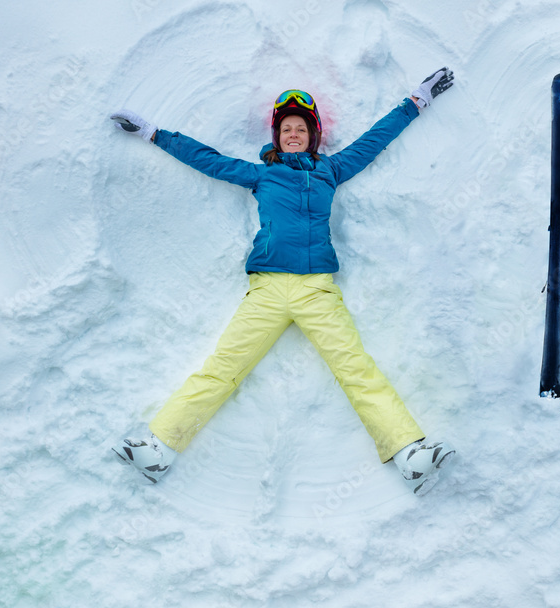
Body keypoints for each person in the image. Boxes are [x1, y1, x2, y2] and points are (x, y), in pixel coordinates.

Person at [109, 68, 456, 496]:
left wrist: (416, 101)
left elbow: (375, 139)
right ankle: (159, 447)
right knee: (222, 368)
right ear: (277, 136)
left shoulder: (332, 169)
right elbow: (206, 158)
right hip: (268, 290)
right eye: (286, 128)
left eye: (301, 128)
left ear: (314, 135)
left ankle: (409, 454)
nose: (294, 134)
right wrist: (153, 133)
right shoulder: (261, 175)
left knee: (356, 369)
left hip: (316, 290)